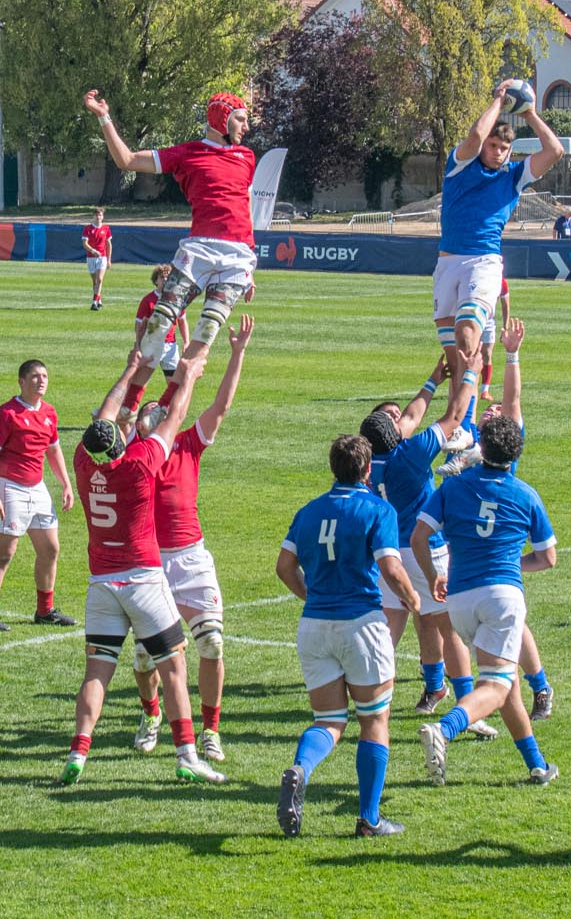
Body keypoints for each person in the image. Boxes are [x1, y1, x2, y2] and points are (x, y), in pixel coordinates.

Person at [60, 348, 225, 787]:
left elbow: (109, 413)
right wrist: (186, 377)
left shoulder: (81, 461)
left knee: (97, 671)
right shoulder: (138, 465)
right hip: (143, 578)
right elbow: (174, 418)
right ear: (121, 441)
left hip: (101, 584)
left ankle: (78, 753)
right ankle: (188, 754)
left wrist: (133, 369)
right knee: (173, 666)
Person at [413, 319, 560, 788]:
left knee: (506, 684)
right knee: (496, 685)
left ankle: (536, 765)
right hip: (501, 595)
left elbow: (420, 535)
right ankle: (448, 726)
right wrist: (512, 354)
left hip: (458, 598)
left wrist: (431, 574)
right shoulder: (524, 492)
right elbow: (548, 558)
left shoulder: (454, 485)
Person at [275, 433, 422, 839]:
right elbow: (391, 568)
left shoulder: (308, 511)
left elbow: (284, 566)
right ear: (368, 468)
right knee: (374, 720)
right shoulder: (378, 508)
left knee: (328, 720)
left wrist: (313, 594)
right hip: (361, 624)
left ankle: (301, 768)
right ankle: (369, 820)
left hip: (314, 627)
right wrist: (414, 600)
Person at [130, 315, 252, 763]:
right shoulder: (131, 454)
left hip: (191, 557)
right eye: (150, 414)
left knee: (213, 643)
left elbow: (219, 407)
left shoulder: (186, 444)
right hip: (149, 564)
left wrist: (236, 355)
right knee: (146, 659)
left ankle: (211, 730)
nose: (158, 414)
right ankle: (151, 714)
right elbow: (128, 411)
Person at [359, 355, 494, 735]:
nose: (403, 419)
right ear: (395, 432)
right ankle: (470, 710)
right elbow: (453, 415)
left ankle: (372, 702)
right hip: (425, 550)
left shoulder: (367, 459)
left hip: (385, 555)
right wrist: (471, 371)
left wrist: (434, 378)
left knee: (386, 631)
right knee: (446, 628)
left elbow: (413, 417)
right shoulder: (412, 455)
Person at [85, 89, 256, 385]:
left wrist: (250, 271)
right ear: (222, 119)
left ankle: (164, 409)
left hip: (237, 257)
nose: (246, 127)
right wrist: (104, 117)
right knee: (160, 323)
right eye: (241, 119)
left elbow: (244, 209)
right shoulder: (188, 153)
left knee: (204, 338)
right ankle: (126, 408)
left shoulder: (247, 157)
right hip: (199, 249)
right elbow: (126, 160)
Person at [434, 81, 562, 361]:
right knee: (455, 360)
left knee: (467, 335)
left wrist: (529, 114)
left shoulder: (514, 176)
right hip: (447, 263)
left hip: (484, 261)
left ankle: (472, 400)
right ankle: (464, 405)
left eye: (504, 147)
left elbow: (554, 151)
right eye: (493, 145)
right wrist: (498, 101)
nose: (498, 152)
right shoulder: (460, 165)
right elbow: (476, 136)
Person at [0, 360, 77, 632]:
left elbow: (53, 450)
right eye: (35, 376)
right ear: (21, 381)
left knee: (50, 548)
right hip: (10, 488)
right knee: (4, 553)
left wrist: (66, 484)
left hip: (38, 488)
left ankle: (45, 611)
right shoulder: (6, 414)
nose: (41, 380)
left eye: (44, 375)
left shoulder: (49, 412)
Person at [131, 264, 190, 392]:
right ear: (155, 280)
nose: (165, 280)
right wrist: (138, 346)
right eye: (162, 277)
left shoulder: (176, 299)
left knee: (175, 384)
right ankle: (125, 407)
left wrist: (186, 341)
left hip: (170, 347)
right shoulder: (148, 300)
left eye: (168, 278)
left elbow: (182, 321)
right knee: (139, 383)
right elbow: (139, 325)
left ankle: (170, 410)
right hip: (151, 345)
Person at [478, 279, 511, 402]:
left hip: (488, 321)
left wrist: (505, 327)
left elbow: (505, 304)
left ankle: (485, 390)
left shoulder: (501, 281)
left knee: (487, 353)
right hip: (472, 318)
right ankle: (464, 387)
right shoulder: (476, 275)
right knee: (469, 353)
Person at [82, 207, 113, 310]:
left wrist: (108, 259)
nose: (98, 217)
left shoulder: (106, 229)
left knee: (100, 279)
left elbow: (109, 245)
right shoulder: (88, 228)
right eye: (96, 215)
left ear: (103, 217)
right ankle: (99, 299)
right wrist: (93, 251)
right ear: (93, 216)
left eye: (100, 215)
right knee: (95, 281)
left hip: (102, 257)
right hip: (91, 258)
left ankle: (94, 302)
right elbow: (84, 243)